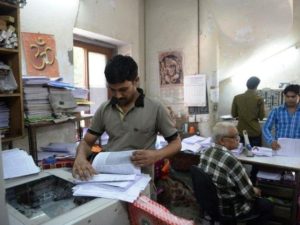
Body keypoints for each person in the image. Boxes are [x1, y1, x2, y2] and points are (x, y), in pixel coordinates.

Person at [72, 55, 181, 182]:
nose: (118, 95)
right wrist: (80, 157)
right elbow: (87, 142)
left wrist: (157, 155)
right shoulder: (104, 109)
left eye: (123, 89)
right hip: (107, 176)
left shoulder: (155, 107)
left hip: (140, 178)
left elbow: (176, 143)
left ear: (136, 81)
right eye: (112, 90)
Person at [198, 122, 273, 225]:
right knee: (267, 204)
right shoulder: (231, 160)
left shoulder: (205, 152)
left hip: (210, 205)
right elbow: (249, 194)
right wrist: (256, 190)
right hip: (229, 209)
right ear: (222, 141)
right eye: (235, 137)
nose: (239, 139)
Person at [263, 84, 300, 150]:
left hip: (297, 150)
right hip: (280, 149)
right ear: (284, 96)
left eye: (293, 96)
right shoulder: (277, 110)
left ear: (298, 96)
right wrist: (271, 141)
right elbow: (266, 127)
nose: (290, 99)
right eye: (287, 96)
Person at [231, 76, 265, 147]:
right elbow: (261, 117)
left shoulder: (237, 98)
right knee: (255, 155)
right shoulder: (259, 99)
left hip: (241, 131)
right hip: (254, 132)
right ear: (257, 86)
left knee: (241, 154)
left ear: (247, 85)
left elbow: (234, 114)